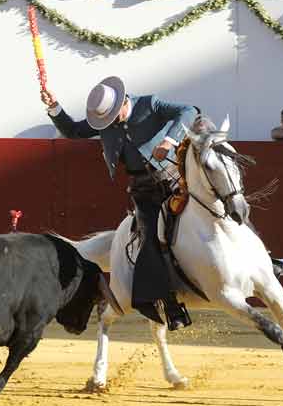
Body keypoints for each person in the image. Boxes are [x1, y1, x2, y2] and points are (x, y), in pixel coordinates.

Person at [40, 76, 197, 331]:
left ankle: (264, 262)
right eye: (106, 121)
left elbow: (189, 111)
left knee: (222, 197)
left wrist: (170, 141)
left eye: (114, 117)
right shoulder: (105, 122)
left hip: (176, 178)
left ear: (124, 102)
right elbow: (74, 131)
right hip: (144, 189)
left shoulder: (150, 104)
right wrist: (54, 106)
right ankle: (170, 306)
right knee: (149, 241)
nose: (111, 124)